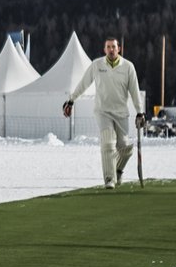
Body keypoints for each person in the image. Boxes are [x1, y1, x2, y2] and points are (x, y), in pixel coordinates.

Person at [61, 36, 145, 188]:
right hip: (103, 111)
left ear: (119, 49)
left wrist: (140, 112)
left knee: (125, 148)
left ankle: (118, 170)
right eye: (108, 47)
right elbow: (84, 83)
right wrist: (71, 99)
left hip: (121, 112)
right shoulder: (97, 65)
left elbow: (134, 90)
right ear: (104, 49)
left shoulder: (128, 67)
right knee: (107, 142)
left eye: (114, 47)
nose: (111, 50)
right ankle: (109, 179)